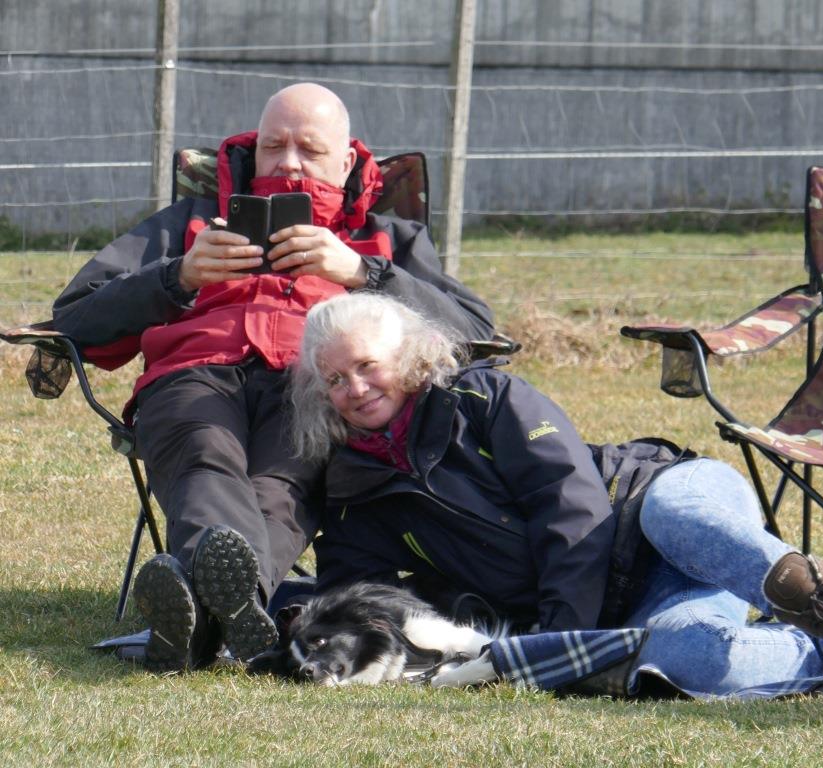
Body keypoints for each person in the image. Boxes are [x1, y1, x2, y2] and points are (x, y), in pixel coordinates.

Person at [289, 292, 823, 697]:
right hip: (636, 602)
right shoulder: (351, 489)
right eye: (336, 380)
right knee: (681, 663)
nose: (356, 389)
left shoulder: (486, 397)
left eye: (368, 366)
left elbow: (571, 504)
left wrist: (563, 639)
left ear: (407, 356)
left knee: (675, 513)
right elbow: (358, 597)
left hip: (654, 502)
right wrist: (296, 630)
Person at [51, 83, 495, 671]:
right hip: (193, 375)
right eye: (273, 146)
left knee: (282, 483)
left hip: (314, 384)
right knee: (205, 451)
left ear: (346, 161)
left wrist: (362, 272)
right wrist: (177, 276)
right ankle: (234, 614)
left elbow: (477, 334)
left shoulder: (384, 237)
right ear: (252, 149)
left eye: (309, 149)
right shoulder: (190, 222)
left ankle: (198, 621)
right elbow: (74, 317)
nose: (288, 162)